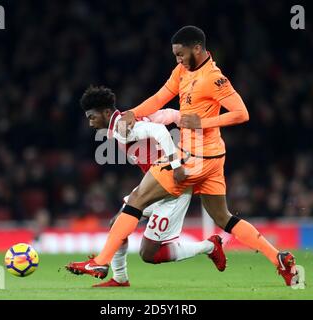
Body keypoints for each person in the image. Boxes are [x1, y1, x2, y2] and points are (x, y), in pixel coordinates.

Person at [67, 26, 299, 286]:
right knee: (223, 217)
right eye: (175, 55)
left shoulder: (214, 78)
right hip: (212, 157)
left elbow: (241, 113)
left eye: (180, 54)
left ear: (197, 48)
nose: (177, 59)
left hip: (194, 156)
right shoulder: (182, 71)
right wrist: (132, 112)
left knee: (136, 199)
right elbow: (159, 97)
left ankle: (100, 262)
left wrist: (202, 122)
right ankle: (279, 258)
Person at [73, 85, 226, 287]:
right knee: (118, 224)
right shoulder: (131, 118)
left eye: (92, 117)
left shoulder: (122, 127)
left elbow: (160, 131)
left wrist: (176, 164)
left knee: (149, 254)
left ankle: (209, 246)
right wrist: (187, 121)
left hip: (172, 187)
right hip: (155, 183)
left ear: (107, 112)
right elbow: (167, 114)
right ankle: (120, 278)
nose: (90, 123)